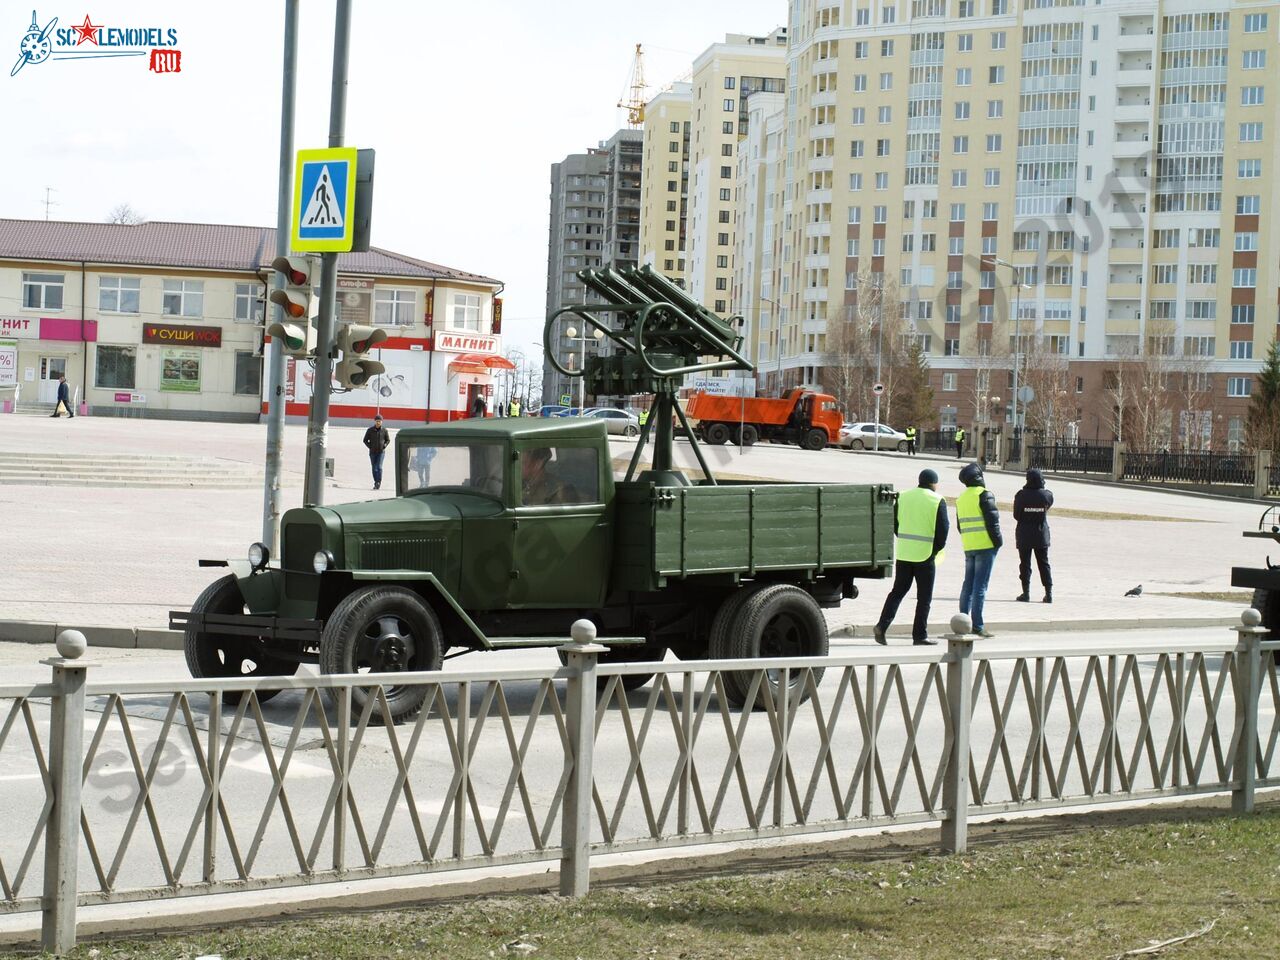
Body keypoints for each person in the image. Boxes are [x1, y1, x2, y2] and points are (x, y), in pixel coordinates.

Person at [874, 469, 949, 647]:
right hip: (925, 555)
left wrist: (905, 538)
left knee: (897, 592)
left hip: (905, 553)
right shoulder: (937, 500)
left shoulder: (903, 496)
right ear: (934, 483)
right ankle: (919, 635)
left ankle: (882, 626)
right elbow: (943, 530)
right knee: (924, 598)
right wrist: (935, 549)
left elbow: (895, 523)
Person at [957, 461, 1003, 638]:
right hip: (985, 545)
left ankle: (963, 621)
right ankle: (977, 625)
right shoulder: (984, 494)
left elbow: (960, 526)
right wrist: (998, 542)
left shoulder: (961, 498)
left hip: (969, 546)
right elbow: (993, 522)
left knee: (967, 585)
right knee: (980, 587)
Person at [1014, 467, 1054, 603]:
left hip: (1024, 534)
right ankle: (1048, 594)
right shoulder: (1046, 495)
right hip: (1041, 534)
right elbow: (1049, 501)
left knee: (1025, 564)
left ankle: (1026, 593)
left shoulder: (1021, 495)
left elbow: (1016, 515)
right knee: (1044, 563)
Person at [362, 414, 390, 490]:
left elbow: (388, 440)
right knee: (374, 468)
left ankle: (379, 482)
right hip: (372, 452)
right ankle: (376, 482)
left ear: (382, 422)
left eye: (379, 421)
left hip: (381, 452)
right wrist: (370, 447)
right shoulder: (370, 430)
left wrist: (385, 445)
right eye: (377, 421)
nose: (378, 423)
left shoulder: (384, 430)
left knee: (379, 467)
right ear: (375, 421)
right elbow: (365, 440)